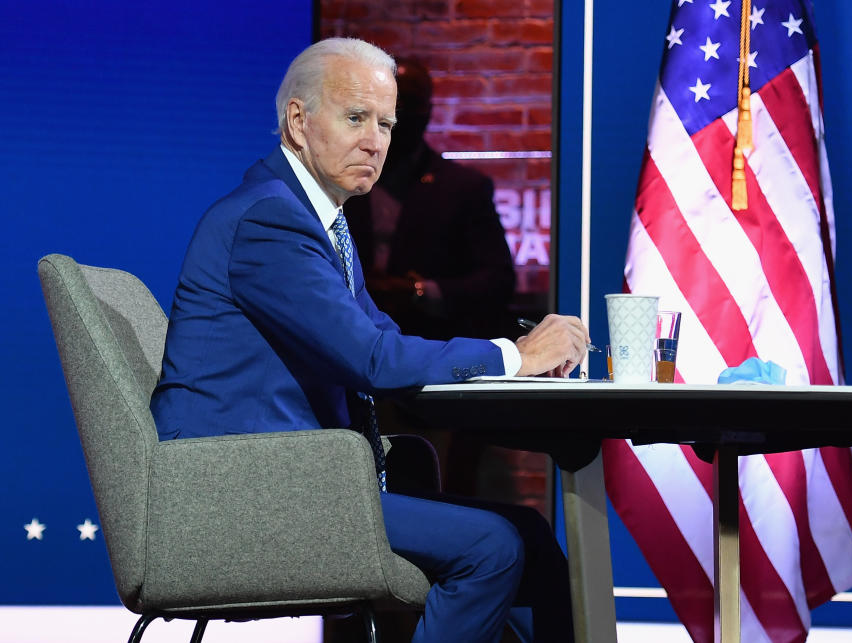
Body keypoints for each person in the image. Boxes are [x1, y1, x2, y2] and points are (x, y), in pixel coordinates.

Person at [150, 38, 586, 643]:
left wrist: (512, 360)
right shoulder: (269, 221)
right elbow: (374, 360)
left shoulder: (318, 217)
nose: (376, 141)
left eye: (385, 123)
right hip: (245, 495)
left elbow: (382, 335)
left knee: (532, 539)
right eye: (356, 118)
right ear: (298, 121)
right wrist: (517, 353)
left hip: (302, 481)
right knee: (493, 548)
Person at [344, 57, 516, 341]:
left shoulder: (464, 187)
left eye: (408, 104)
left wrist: (420, 291)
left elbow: (497, 281)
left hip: (433, 342)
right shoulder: (343, 179)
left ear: (427, 111)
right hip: (350, 341)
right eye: (391, 105)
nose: (399, 115)